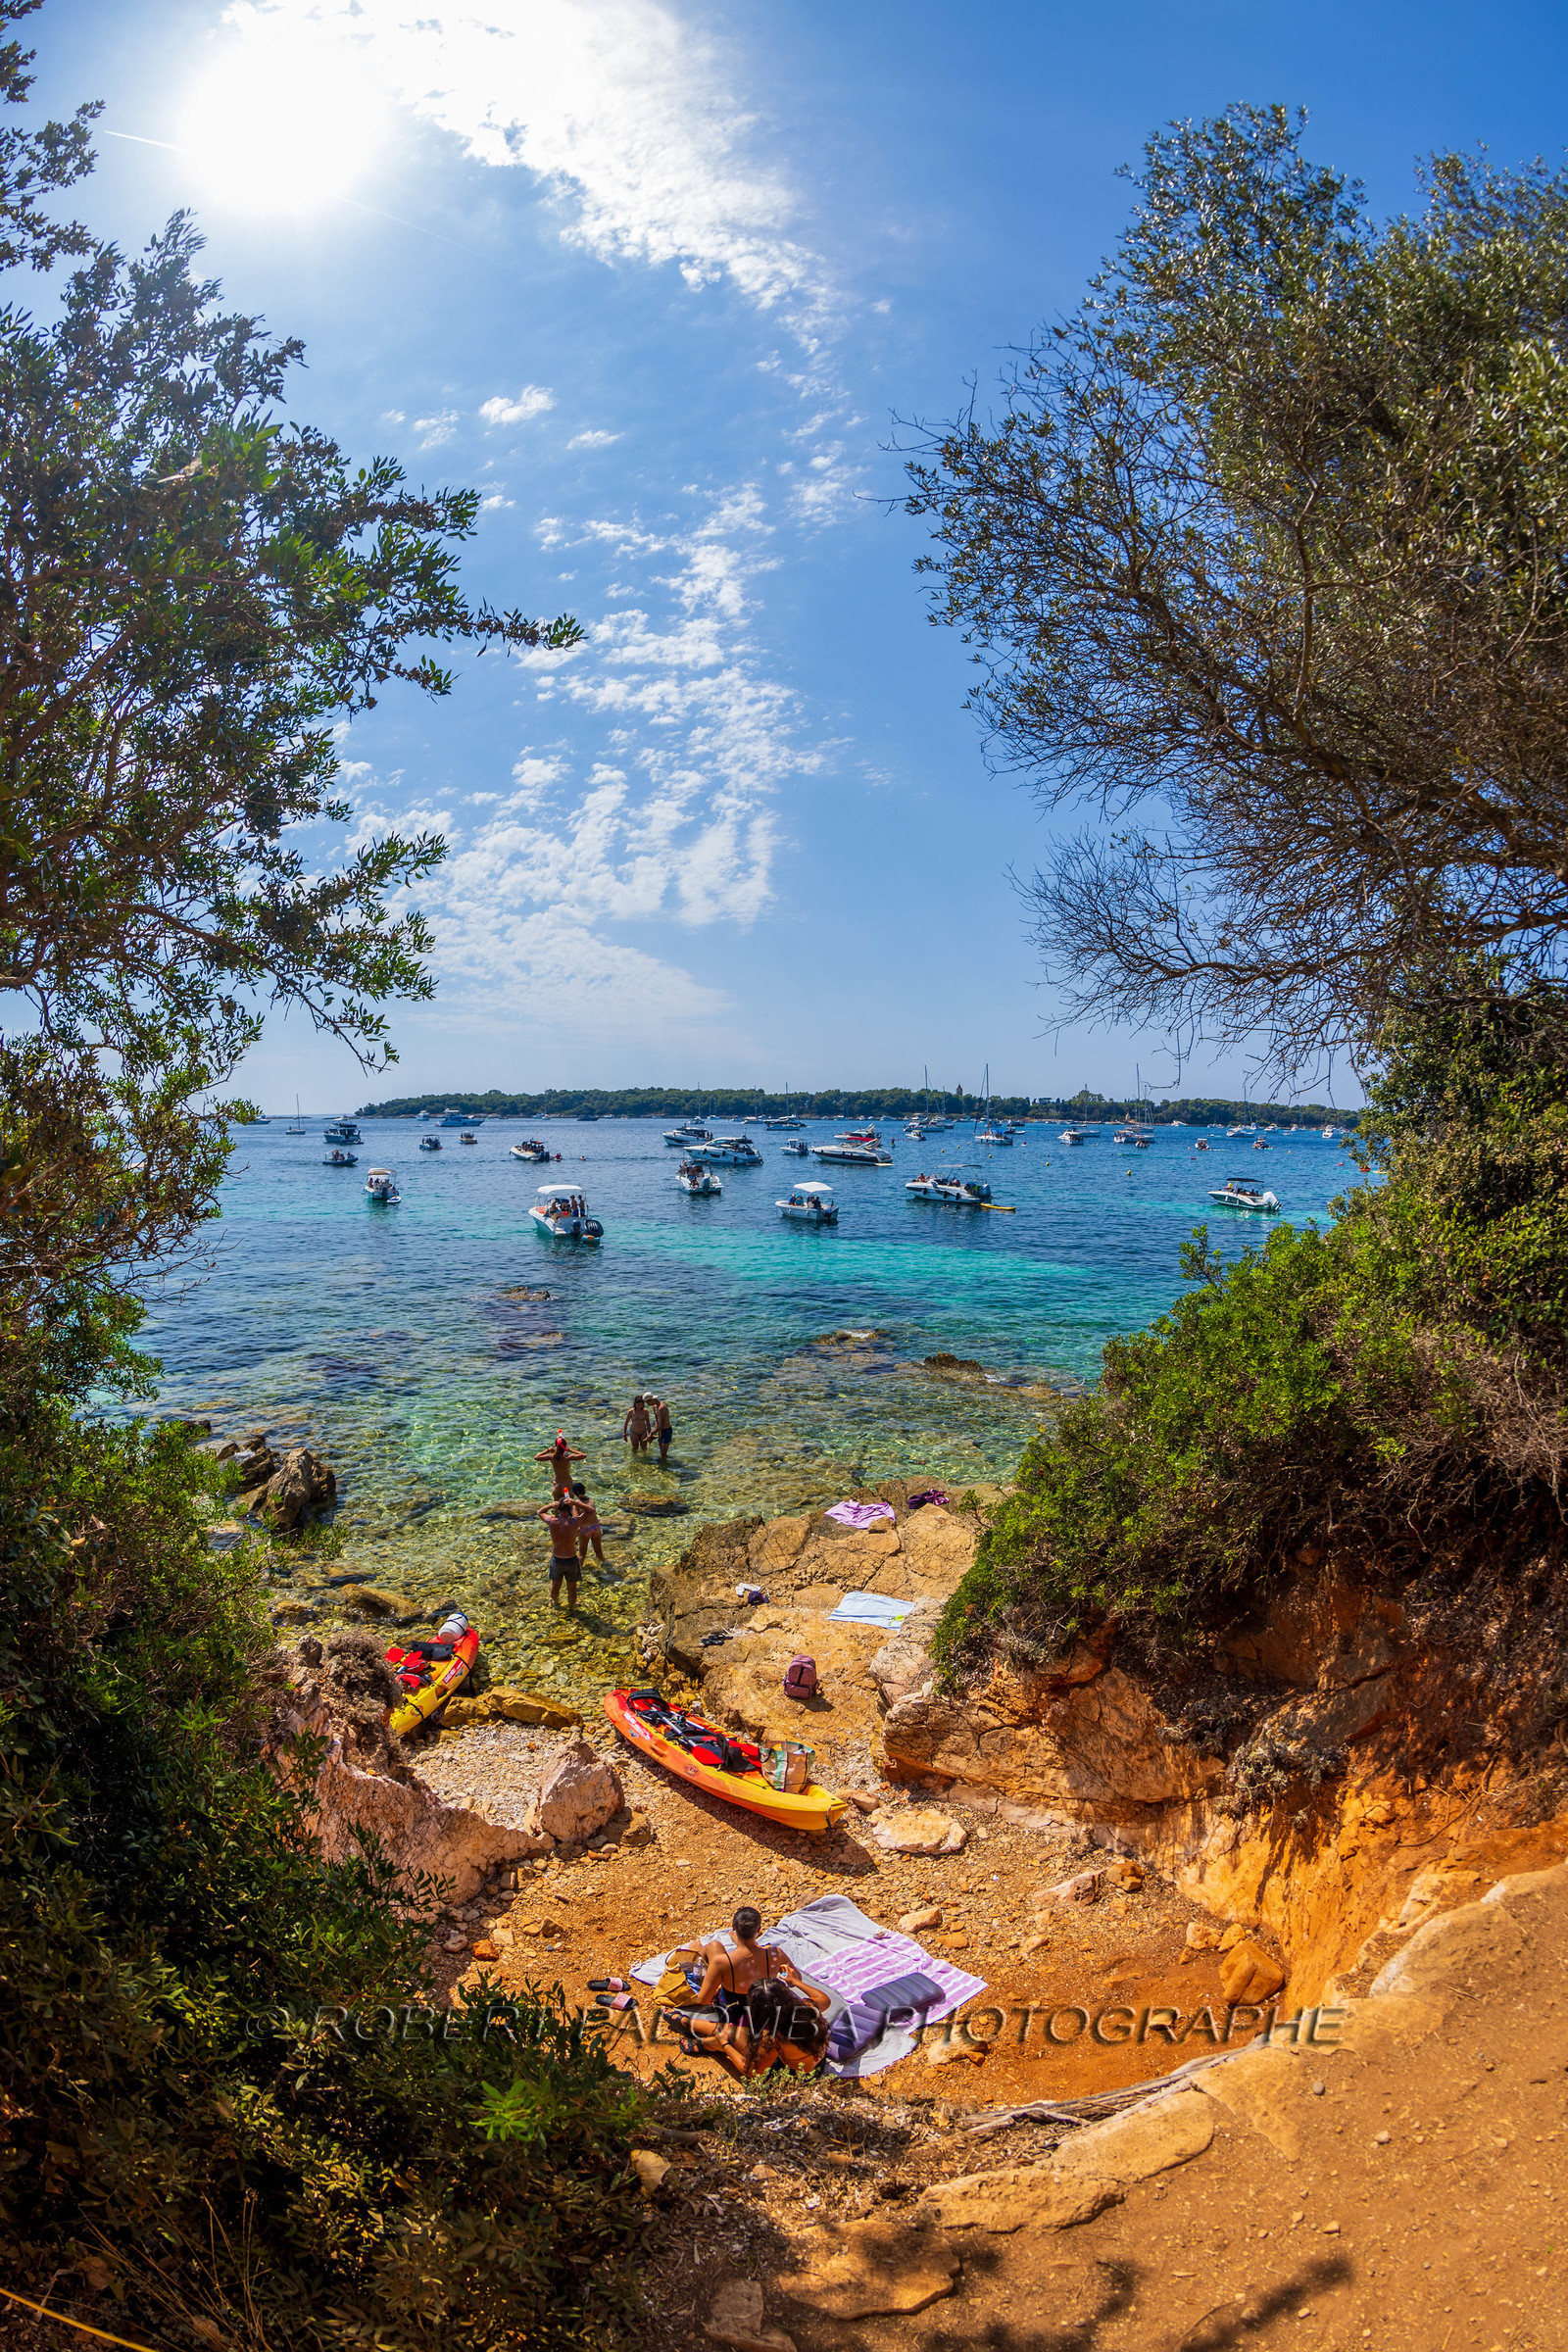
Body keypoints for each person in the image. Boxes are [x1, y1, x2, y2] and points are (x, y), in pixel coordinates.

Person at [673, 1907, 830, 2079]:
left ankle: (701, 2035)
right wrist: (796, 1981)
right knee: (728, 2031)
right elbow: (824, 2000)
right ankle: (688, 2024)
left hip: (788, 2068)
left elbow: (752, 2072)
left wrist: (725, 2045)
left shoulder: (772, 2038)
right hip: (812, 2062)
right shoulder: (802, 2006)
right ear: (759, 1930)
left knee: (728, 2033)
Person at [536, 1494, 587, 1607]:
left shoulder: (552, 1521)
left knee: (555, 1585)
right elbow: (591, 1511)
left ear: (558, 1509)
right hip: (571, 1559)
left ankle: (554, 1602)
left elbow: (539, 1512)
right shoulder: (574, 1523)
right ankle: (572, 1606)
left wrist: (550, 1505)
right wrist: (576, 1503)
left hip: (557, 1559)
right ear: (570, 1509)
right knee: (572, 1587)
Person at [535, 1433, 585, 1497]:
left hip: (557, 1484)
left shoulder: (551, 1457)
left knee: (557, 1505)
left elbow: (536, 1457)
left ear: (556, 1446)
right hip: (567, 1484)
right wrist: (570, 1450)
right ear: (565, 1446)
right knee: (569, 1505)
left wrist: (548, 1450)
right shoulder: (567, 1457)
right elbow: (583, 1455)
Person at [569, 1479, 605, 1568]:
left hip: (585, 1530)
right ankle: (605, 1568)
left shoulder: (575, 1504)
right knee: (599, 1552)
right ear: (584, 1490)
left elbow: (576, 1520)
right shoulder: (590, 1501)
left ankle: (578, 1573)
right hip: (596, 1528)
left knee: (581, 1555)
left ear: (574, 1493)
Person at [650, 1394, 673, 1466]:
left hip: (666, 1431)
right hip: (660, 1431)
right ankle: (663, 1466)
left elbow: (661, 1425)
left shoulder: (661, 1408)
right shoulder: (654, 1407)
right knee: (661, 1453)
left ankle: (671, 1464)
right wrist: (654, 1432)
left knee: (663, 1454)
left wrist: (651, 1433)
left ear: (651, 1400)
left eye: (647, 1402)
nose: (647, 1404)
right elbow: (657, 1421)